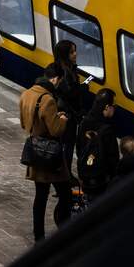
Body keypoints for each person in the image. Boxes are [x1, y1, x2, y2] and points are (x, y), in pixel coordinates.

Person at [19, 63, 71, 241]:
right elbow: (56, 130)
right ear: (55, 79)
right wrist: (62, 119)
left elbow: (23, 123)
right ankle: (65, 230)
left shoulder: (27, 93)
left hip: (35, 150)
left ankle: (38, 236)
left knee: (40, 196)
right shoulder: (47, 99)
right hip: (49, 155)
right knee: (65, 193)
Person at [53, 39, 89, 177]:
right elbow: (69, 93)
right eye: (72, 52)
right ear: (64, 55)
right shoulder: (64, 71)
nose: (75, 54)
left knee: (67, 145)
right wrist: (83, 88)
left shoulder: (67, 68)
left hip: (69, 113)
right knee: (67, 145)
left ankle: (64, 172)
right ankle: (65, 174)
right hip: (67, 114)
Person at [76, 89, 119, 202]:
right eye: (113, 105)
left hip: (85, 175)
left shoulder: (84, 122)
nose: (114, 108)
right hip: (101, 180)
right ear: (106, 107)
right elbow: (113, 158)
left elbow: (79, 148)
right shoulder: (107, 129)